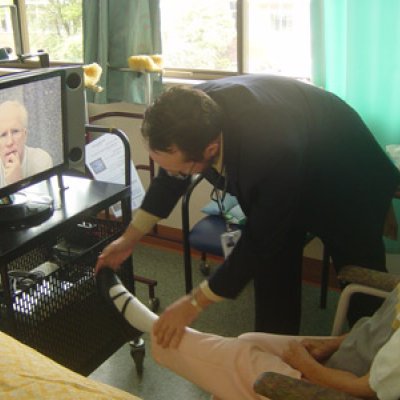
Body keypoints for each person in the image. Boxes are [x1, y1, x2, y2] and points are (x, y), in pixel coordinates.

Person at [96, 74, 400, 345]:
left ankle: (371, 366)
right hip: (294, 155)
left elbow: (258, 240)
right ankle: (271, 355)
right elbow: (172, 176)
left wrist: (193, 302)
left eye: (182, 168)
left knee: (361, 283)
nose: (175, 173)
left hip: (345, 174)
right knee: (273, 272)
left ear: (210, 149)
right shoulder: (188, 112)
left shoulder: (268, 150)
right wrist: (130, 238)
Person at [97, 267, 400, 400]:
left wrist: (309, 367)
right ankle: (154, 326)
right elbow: (381, 326)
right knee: (248, 342)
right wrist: (331, 344)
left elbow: (366, 391)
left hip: (339, 392)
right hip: (347, 359)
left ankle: (151, 326)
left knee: (239, 359)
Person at [0, 100, 52, 188]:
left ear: (25, 134)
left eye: (15, 131)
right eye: (3, 135)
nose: (9, 142)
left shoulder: (42, 160)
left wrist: (17, 182)